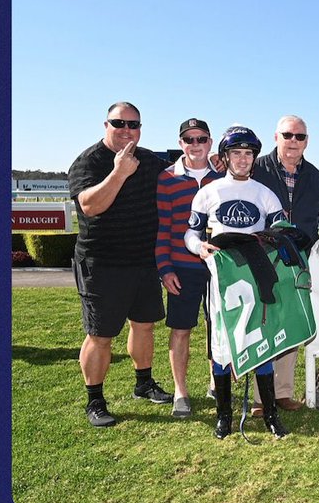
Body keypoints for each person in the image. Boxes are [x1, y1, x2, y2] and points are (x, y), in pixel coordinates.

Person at [67, 101, 173, 427]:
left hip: (143, 261)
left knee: (144, 325)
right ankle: (95, 400)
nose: (127, 130)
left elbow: (183, 170)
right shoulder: (88, 162)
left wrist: (211, 161)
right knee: (100, 335)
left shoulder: (149, 160)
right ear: (106, 125)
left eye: (134, 124)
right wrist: (119, 173)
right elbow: (90, 206)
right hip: (102, 264)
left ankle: (144, 383)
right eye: (119, 123)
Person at [185, 126, 291, 439]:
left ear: (254, 157)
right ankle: (224, 417)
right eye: (236, 153)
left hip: (255, 277)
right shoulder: (208, 193)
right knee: (221, 343)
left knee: (260, 340)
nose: (243, 159)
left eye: (248, 154)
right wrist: (199, 247)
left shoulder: (265, 194)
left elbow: (280, 232)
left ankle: (270, 415)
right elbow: (191, 233)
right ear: (226, 157)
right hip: (221, 279)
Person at [250, 114, 319, 416]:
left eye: (299, 137)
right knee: (263, 324)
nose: (293, 141)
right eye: (288, 135)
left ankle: (283, 392)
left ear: (306, 142)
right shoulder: (256, 168)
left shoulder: (314, 176)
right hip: (262, 256)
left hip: (297, 259)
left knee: (289, 322)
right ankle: (261, 397)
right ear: (276, 137)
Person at [155, 117, 222, 418]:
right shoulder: (167, 178)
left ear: (210, 142)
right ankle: (180, 392)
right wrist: (164, 268)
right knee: (181, 329)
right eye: (189, 139)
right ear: (180, 143)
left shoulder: (223, 176)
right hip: (182, 267)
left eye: (201, 139)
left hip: (218, 266)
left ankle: (216, 382)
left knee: (217, 326)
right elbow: (163, 227)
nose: (196, 145)